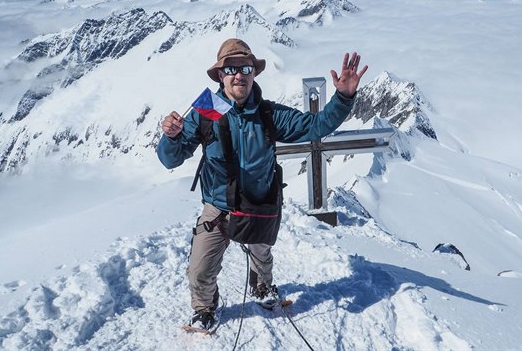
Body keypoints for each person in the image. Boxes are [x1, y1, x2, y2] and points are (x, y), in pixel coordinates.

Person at [157, 38, 367, 331]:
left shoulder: (268, 113)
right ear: (220, 75)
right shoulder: (208, 110)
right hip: (219, 207)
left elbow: (314, 126)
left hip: (259, 203)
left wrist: (343, 98)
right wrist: (172, 137)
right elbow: (171, 160)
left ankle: (262, 286)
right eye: (230, 69)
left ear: (254, 73)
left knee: (261, 254)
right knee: (199, 271)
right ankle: (204, 306)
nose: (238, 74)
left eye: (245, 67)